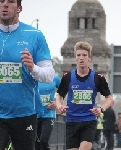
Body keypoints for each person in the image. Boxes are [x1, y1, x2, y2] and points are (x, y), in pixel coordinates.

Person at [0, 0, 55, 150]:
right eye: (1, 1)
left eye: (10, 1)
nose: (5, 5)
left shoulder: (35, 35)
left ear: (19, 8)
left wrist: (33, 68)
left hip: (25, 113)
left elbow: (49, 75)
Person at [55, 41, 113, 150]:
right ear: (75, 58)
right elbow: (59, 96)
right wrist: (59, 106)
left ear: (89, 58)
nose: (81, 58)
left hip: (88, 120)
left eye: (84, 55)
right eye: (79, 55)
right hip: (71, 120)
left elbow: (109, 98)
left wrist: (101, 108)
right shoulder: (67, 77)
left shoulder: (98, 78)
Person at [35, 75, 61, 150]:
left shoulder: (55, 78)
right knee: (36, 142)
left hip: (49, 114)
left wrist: (57, 103)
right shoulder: (33, 76)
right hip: (34, 114)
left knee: (44, 140)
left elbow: (63, 90)